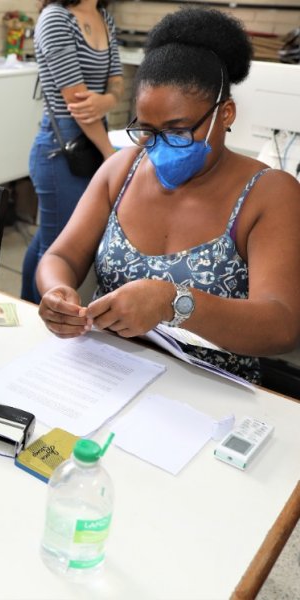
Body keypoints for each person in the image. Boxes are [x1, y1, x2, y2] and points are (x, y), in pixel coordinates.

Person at [35, 7, 300, 384]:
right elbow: (61, 255)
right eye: (148, 130)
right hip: (106, 374)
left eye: (177, 130)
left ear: (225, 114)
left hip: (211, 388)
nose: (158, 147)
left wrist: (171, 302)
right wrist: (57, 291)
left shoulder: (270, 193)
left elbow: (281, 326)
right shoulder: (121, 170)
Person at [21, 0, 123, 303]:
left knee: (47, 238)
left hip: (89, 143)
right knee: (57, 250)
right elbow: (78, 102)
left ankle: (27, 305)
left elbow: (116, 82)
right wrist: (109, 154)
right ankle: (42, 324)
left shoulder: (103, 16)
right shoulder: (55, 18)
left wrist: (105, 101)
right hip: (60, 151)